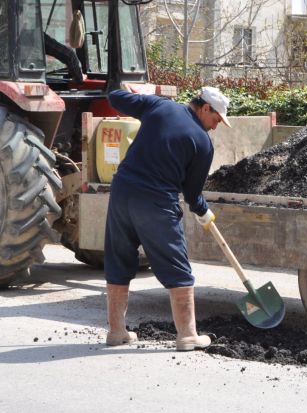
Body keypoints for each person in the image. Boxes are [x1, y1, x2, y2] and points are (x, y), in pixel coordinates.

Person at [104, 86, 231, 351]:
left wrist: (141, 97)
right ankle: (187, 335)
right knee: (176, 266)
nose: (216, 126)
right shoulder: (203, 143)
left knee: (118, 259)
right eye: (216, 119)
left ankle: (116, 332)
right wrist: (204, 211)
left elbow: (114, 97)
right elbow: (192, 194)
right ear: (205, 108)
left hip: (122, 193)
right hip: (156, 202)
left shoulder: (161, 106)